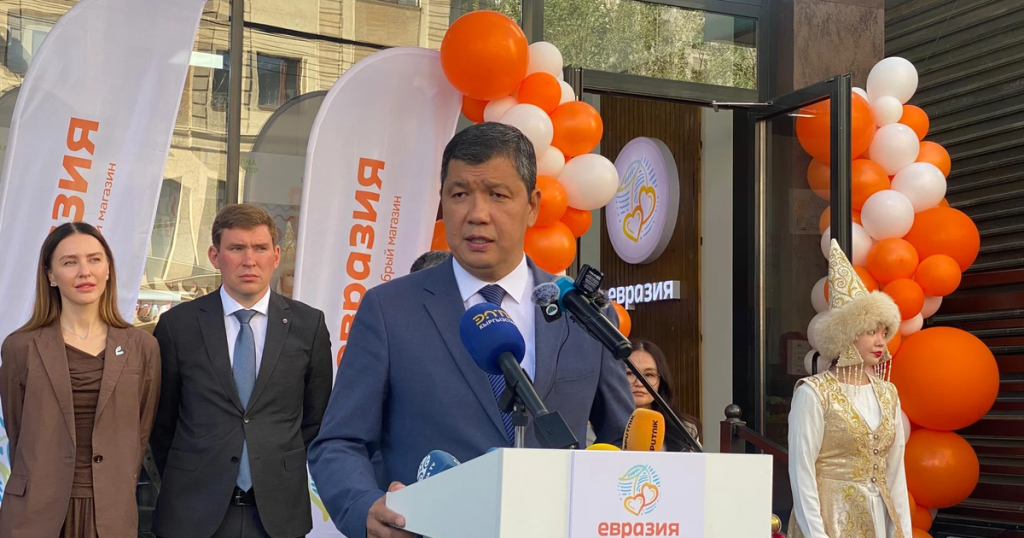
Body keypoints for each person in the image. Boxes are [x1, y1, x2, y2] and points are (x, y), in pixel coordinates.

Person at [308, 122, 634, 538]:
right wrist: (363, 506)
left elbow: (621, 439)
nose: (477, 214)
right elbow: (339, 441)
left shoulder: (582, 313)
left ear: (533, 205)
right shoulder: (389, 310)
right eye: (460, 194)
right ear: (442, 201)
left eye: (498, 194)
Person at [150, 204, 334, 538]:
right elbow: (161, 423)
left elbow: (315, 418)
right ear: (214, 255)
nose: (249, 260)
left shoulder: (309, 325)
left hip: (278, 513)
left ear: (276, 256)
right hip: (192, 510)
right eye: (236, 248)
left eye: (260, 248)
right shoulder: (178, 326)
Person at [0, 222, 161, 538]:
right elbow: (19, 432)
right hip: (35, 512)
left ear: (108, 269)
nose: (84, 271)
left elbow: (141, 432)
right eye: (69, 262)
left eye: (94, 259)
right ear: (50, 275)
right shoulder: (21, 347)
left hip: (110, 513)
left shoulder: (142, 347)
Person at [788, 239, 913, 538]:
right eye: (870, 331)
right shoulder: (814, 392)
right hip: (830, 520)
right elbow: (802, 472)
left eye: (884, 332)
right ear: (846, 334)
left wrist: (904, 533)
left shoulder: (888, 393)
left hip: (880, 520)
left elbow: (895, 473)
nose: (881, 341)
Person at [627, 339, 702, 450]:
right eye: (629, 373)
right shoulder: (600, 426)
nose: (639, 383)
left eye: (649, 374)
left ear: (661, 381)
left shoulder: (684, 429)